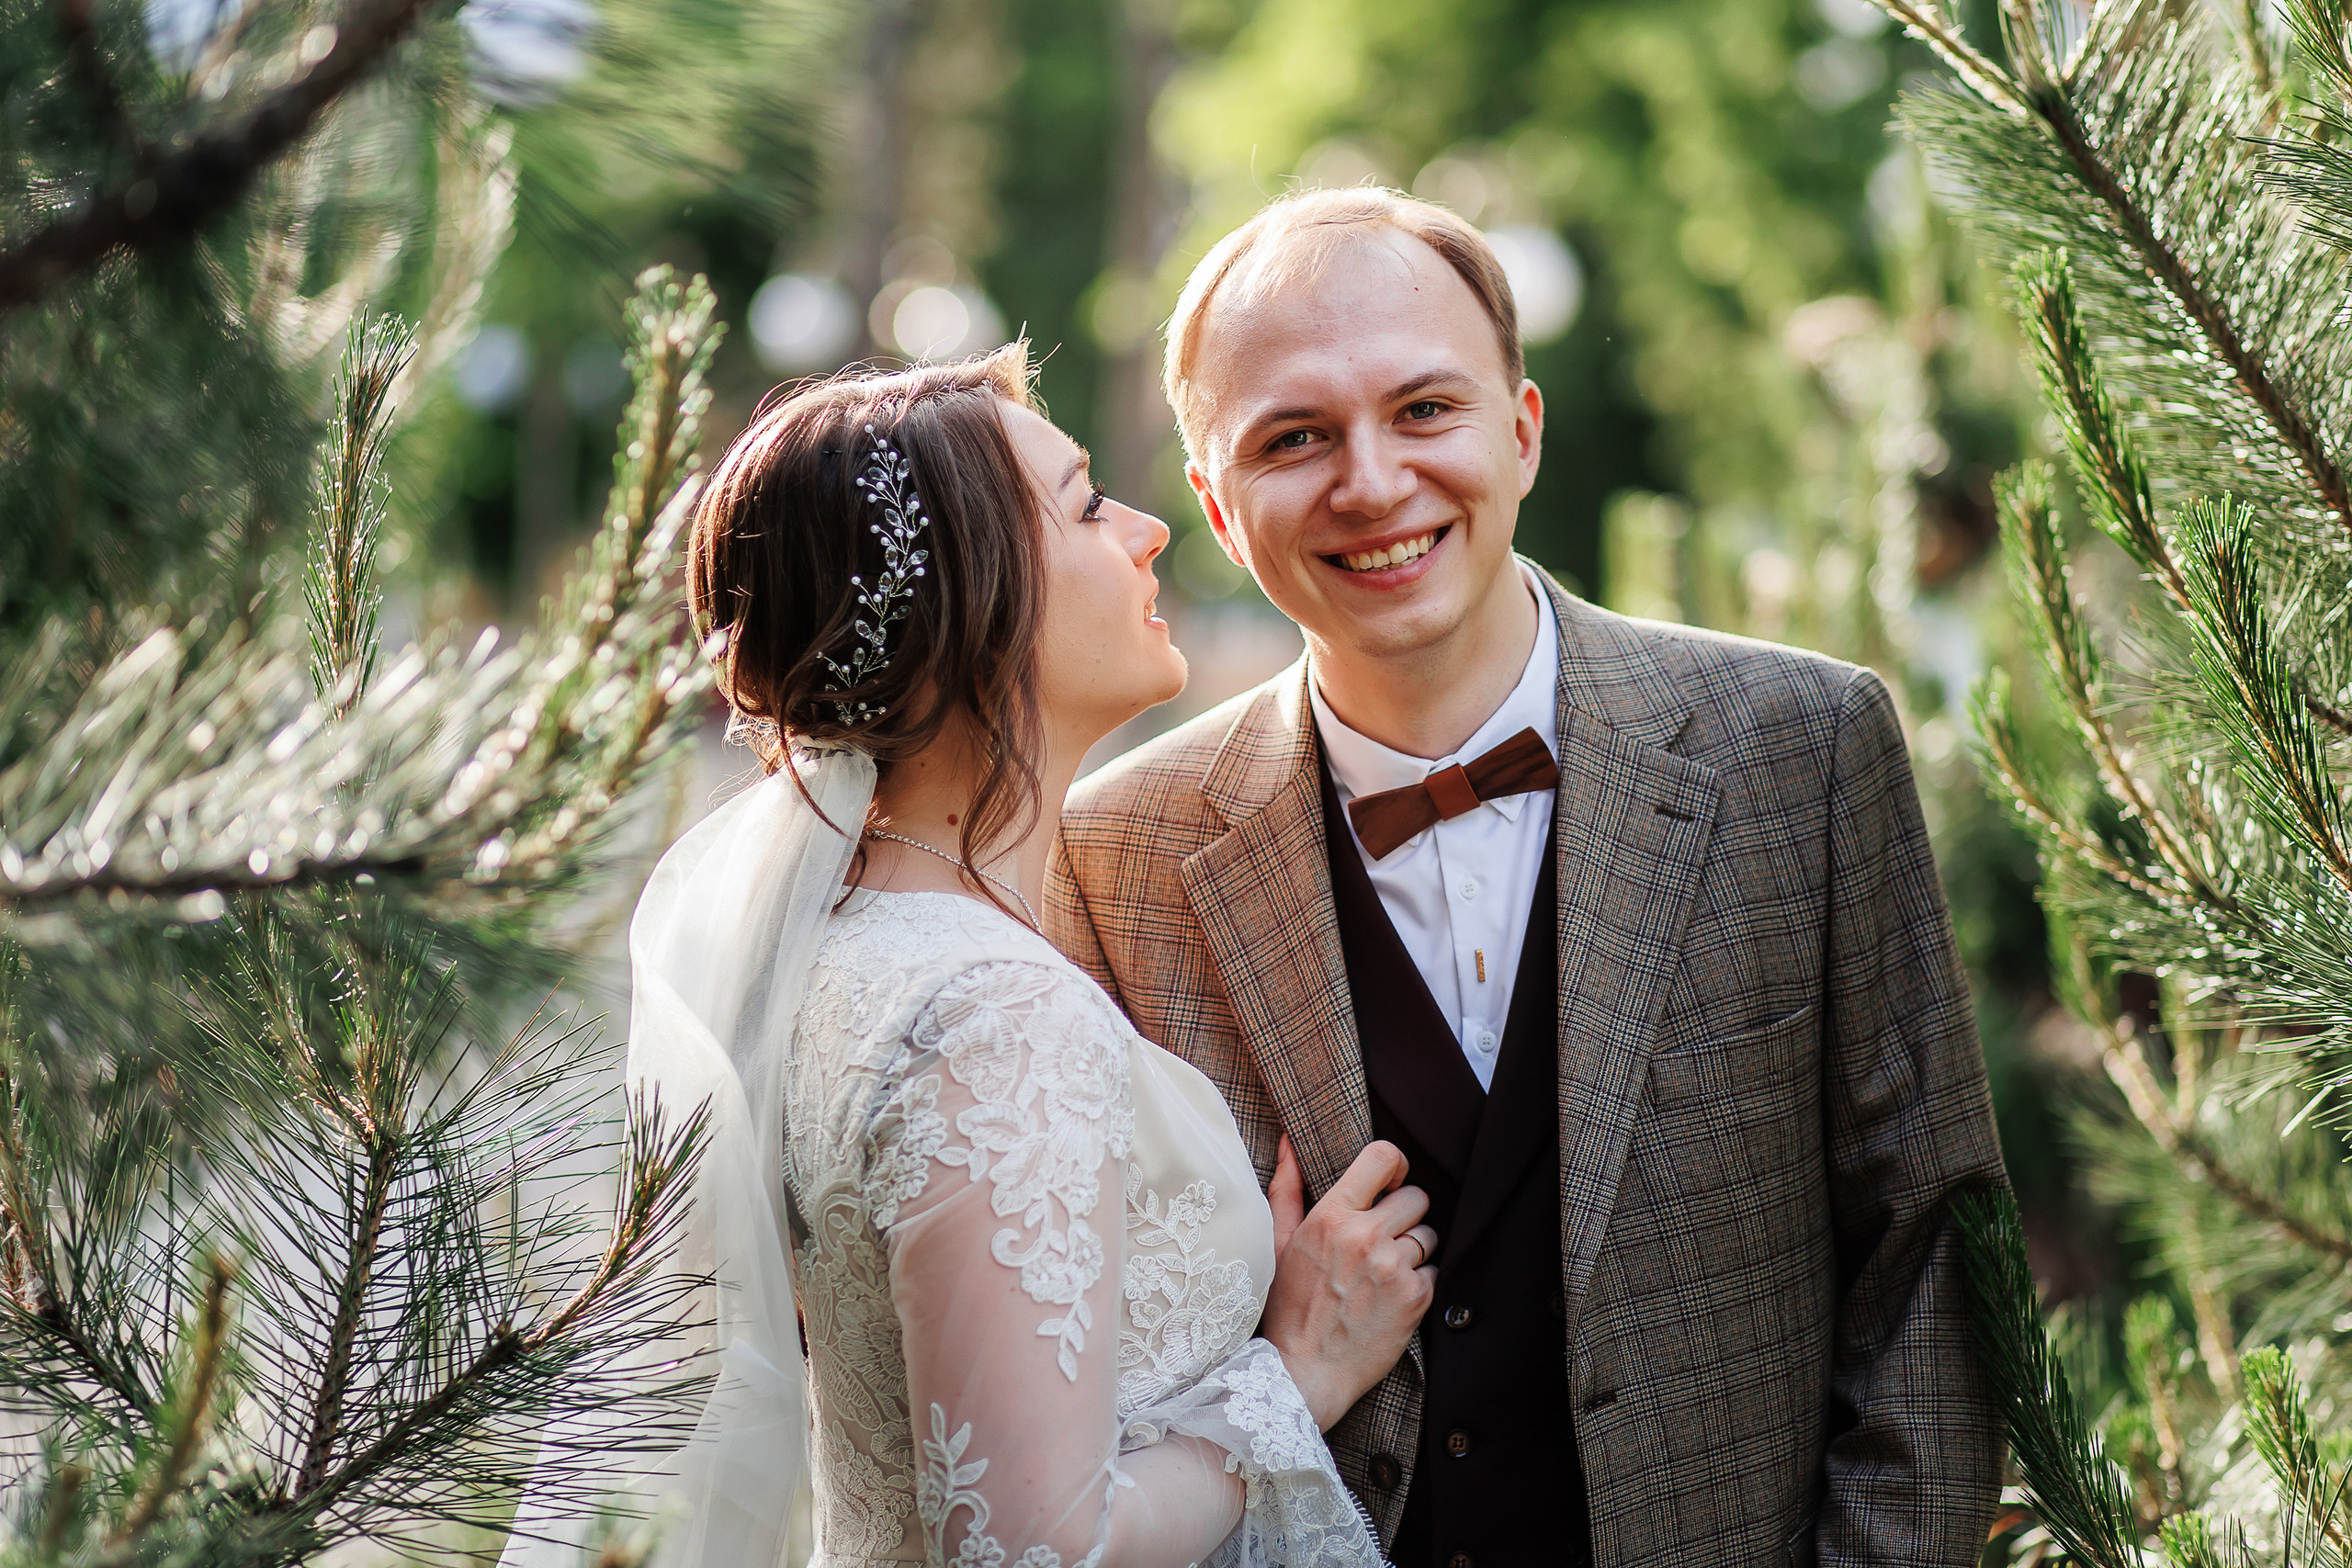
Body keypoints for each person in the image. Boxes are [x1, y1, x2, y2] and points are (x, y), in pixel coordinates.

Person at [1046, 187, 2007, 1567]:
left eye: (1425, 410)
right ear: (1214, 499)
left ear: (1524, 429)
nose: (1371, 483)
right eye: (1295, 438)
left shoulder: (1801, 750)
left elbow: (1933, 1263)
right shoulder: (1114, 851)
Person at [605, 345, 1439, 1568]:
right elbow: (1036, 1549)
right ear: (970, 599)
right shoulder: (987, 1012)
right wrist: (1292, 1376)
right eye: (1091, 506)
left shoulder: (857, 951)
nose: (1150, 532)